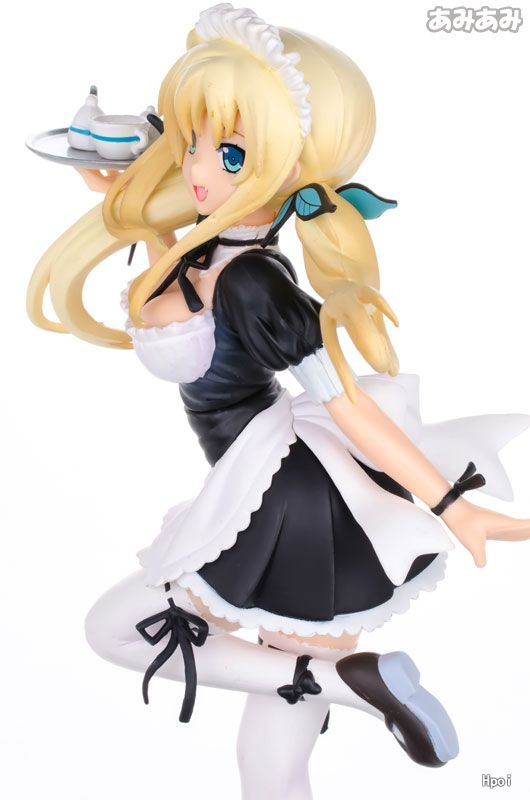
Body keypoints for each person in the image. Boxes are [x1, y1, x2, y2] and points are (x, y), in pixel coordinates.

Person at [27, 4, 530, 798]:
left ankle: (341, 681)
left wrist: (451, 505)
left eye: (231, 152)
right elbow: (173, 283)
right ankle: (346, 681)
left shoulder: (258, 282)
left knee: (114, 630)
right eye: (193, 141)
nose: (199, 168)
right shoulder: (208, 251)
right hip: (258, 476)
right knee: (269, 763)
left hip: (282, 490)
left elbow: (351, 405)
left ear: (289, 170)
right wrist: (127, 197)